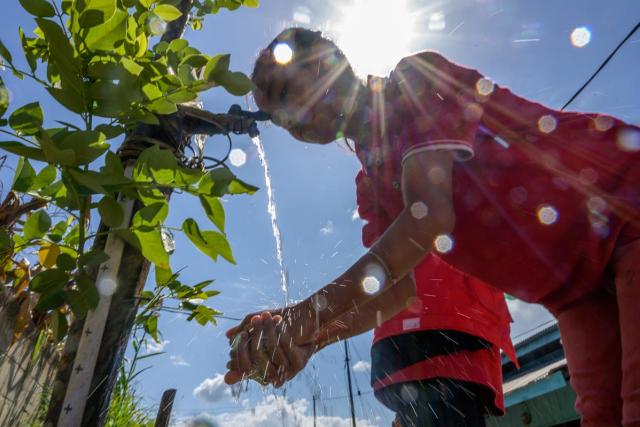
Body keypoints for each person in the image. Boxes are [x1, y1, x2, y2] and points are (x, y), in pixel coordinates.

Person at [225, 27, 640, 426]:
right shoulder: (370, 181)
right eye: (277, 118)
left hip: (625, 205)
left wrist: (304, 318)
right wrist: (306, 341)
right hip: (574, 288)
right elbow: (399, 292)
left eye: (284, 94)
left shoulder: (414, 80)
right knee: (605, 417)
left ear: (325, 62)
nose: (287, 120)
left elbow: (429, 218)